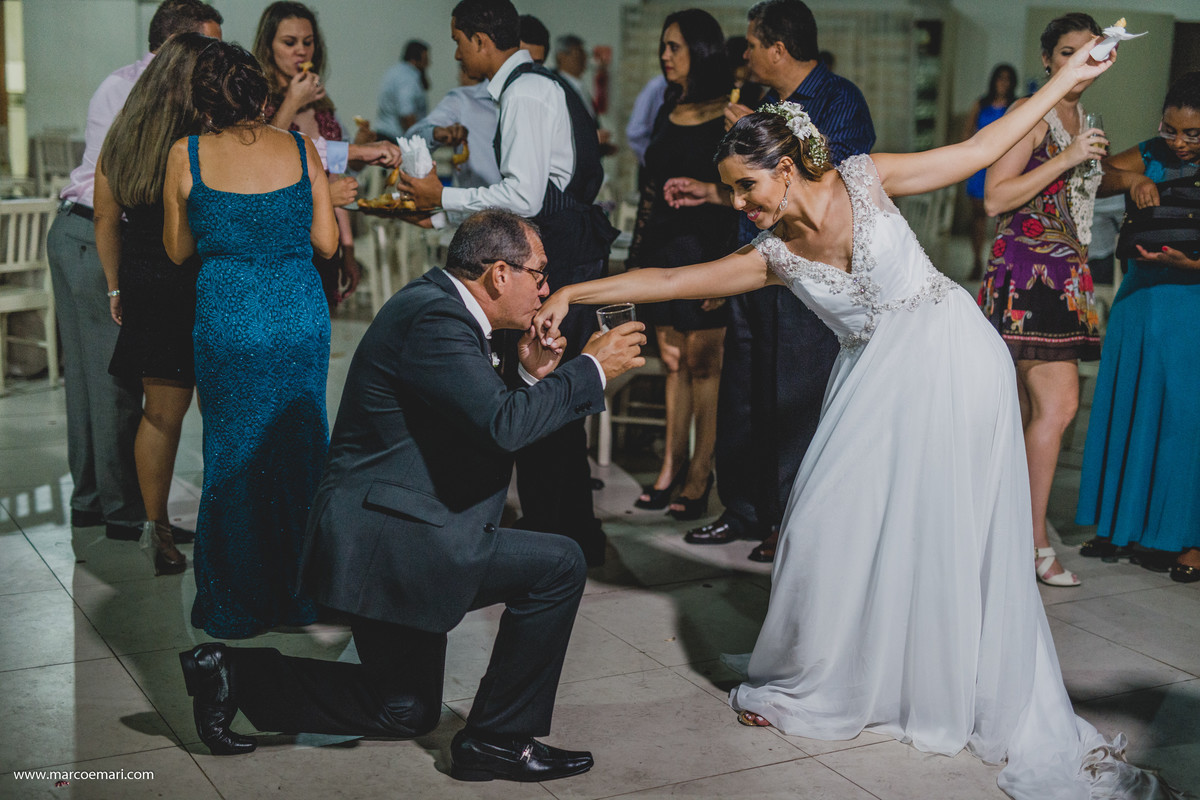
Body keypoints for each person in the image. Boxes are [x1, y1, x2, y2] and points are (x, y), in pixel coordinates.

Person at [534, 39, 1182, 800]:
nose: (739, 205)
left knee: (943, 526)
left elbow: (976, 148)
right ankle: (841, 673)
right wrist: (574, 294)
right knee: (821, 523)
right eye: (730, 192)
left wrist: (1066, 81)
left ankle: (944, 677)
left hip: (951, 357)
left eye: (745, 187)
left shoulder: (868, 178)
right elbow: (674, 277)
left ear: (785, 165)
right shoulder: (771, 254)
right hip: (873, 380)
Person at [177, 209, 646, 782]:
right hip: (391, 538)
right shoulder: (436, 320)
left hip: (395, 526)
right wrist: (591, 368)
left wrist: (529, 377)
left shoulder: (443, 310)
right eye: (539, 274)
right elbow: (503, 428)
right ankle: (497, 739)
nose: (546, 289)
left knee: (405, 709)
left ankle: (232, 676)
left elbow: (480, 422)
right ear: (500, 274)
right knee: (560, 563)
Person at [396, 0, 618, 566]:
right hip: (564, 247)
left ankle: (552, 534)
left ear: (480, 40)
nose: (455, 52)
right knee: (545, 395)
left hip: (561, 257)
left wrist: (440, 196)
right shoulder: (540, 85)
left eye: (458, 40)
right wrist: (444, 216)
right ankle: (565, 529)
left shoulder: (523, 91)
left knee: (541, 392)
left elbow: (524, 196)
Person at [664, 0, 874, 561]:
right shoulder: (765, 100)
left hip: (807, 271)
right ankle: (743, 508)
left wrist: (771, 133)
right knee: (745, 389)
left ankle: (788, 518)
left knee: (791, 393)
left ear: (777, 48)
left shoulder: (839, 98)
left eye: (752, 44)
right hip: (757, 261)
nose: (747, 53)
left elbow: (841, 181)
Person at [161, 41, 338, 638]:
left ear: (203, 102)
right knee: (299, 452)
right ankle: (303, 594)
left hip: (230, 320)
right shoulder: (299, 147)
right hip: (296, 318)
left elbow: (179, 249)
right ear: (263, 96)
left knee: (233, 458)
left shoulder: (185, 156)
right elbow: (328, 244)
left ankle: (237, 600)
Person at [47, 0, 220, 543]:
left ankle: (105, 508)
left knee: (110, 388)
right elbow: (120, 201)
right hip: (111, 241)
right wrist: (116, 277)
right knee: (113, 387)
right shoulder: (153, 98)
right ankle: (125, 516)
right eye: (209, 48)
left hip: (101, 236)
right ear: (179, 48)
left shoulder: (136, 97)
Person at [978, 13, 1106, 588]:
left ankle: (1009, 539)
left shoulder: (1083, 116)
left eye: (1089, 51)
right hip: (1029, 273)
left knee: (1037, 412)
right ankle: (1031, 546)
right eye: (1066, 52)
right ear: (1048, 60)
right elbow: (995, 196)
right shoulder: (1030, 112)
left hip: (1065, 275)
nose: (1078, 60)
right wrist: (1067, 157)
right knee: (1057, 408)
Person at [95, 32, 213, 576]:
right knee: (223, 410)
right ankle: (227, 527)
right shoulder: (203, 137)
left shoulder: (124, 134)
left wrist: (116, 286)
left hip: (146, 279)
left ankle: (160, 532)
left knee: (160, 417)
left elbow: (103, 217)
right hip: (200, 275)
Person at [1076, 72, 1200, 583]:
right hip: (1137, 298)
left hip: (1190, 303)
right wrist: (1134, 179)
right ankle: (1122, 526)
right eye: (1171, 130)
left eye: (1192, 134)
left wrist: (1189, 265)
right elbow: (1095, 174)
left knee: (1183, 423)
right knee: (1127, 409)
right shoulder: (1152, 151)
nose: (1179, 142)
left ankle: (1189, 541)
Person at [628, 9, 736, 520]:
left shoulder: (733, 110)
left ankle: (700, 474)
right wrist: (637, 259)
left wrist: (710, 194)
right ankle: (670, 470)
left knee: (704, 364)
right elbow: (648, 189)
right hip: (665, 250)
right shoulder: (669, 102)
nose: (664, 56)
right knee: (672, 362)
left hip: (710, 251)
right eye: (663, 46)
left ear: (701, 50)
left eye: (674, 46)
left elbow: (747, 192)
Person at [252, 1, 401, 308]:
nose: (301, 52)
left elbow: (333, 174)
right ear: (269, 48)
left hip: (324, 232)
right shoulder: (257, 99)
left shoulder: (321, 101)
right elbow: (263, 158)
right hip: (282, 237)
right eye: (289, 42)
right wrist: (292, 102)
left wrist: (347, 249)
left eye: (308, 42)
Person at [961, 63, 1017, 279]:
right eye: (1000, 78)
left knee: (1003, 217)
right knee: (977, 216)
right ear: (993, 80)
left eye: (1007, 78)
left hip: (1004, 167)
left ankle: (998, 263)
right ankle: (976, 261)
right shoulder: (981, 104)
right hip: (979, 167)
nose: (1003, 82)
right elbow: (967, 134)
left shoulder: (1014, 106)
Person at [407, 63, 501, 192]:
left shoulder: (520, 96)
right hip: (473, 205)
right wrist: (436, 133)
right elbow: (411, 139)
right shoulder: (463, 100)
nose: (457, 54)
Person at [374, 39, 431, 139]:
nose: (428, 64)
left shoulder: (395, 71)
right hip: (396, 138)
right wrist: (417, 140)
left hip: (385, 133)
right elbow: (406, 112)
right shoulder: (408, 77)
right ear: (415, 59)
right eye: (425, 59)